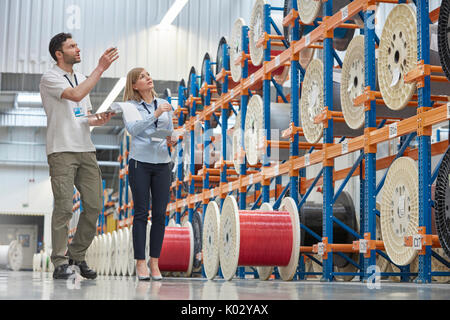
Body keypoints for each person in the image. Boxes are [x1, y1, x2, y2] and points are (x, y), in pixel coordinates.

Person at [39, 33, 119, 280]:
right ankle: (60, 262)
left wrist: (98, 119)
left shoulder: (81, 78)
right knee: (63, 207)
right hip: (61, 150)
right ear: (59, 54)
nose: (77, 48)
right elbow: (74, 95)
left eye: (76, 44)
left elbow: (82, 114)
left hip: (85, 149)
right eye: (71, 46)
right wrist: (101, 68)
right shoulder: (50, 77)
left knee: (94, 205)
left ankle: (77, 254)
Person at [122, 67, 176, 281]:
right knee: (141, 213)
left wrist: (171, 138)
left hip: (162, 163)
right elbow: (133, 130)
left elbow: (169, 130)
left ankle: (155, 262)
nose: (148, 78)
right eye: (142, 77)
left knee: (160, 215)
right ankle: (140, 263)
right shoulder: (130, 107)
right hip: (140, 164)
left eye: (148, 75)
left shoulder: (163, 104)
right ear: (135, 85)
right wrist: (156, 113)